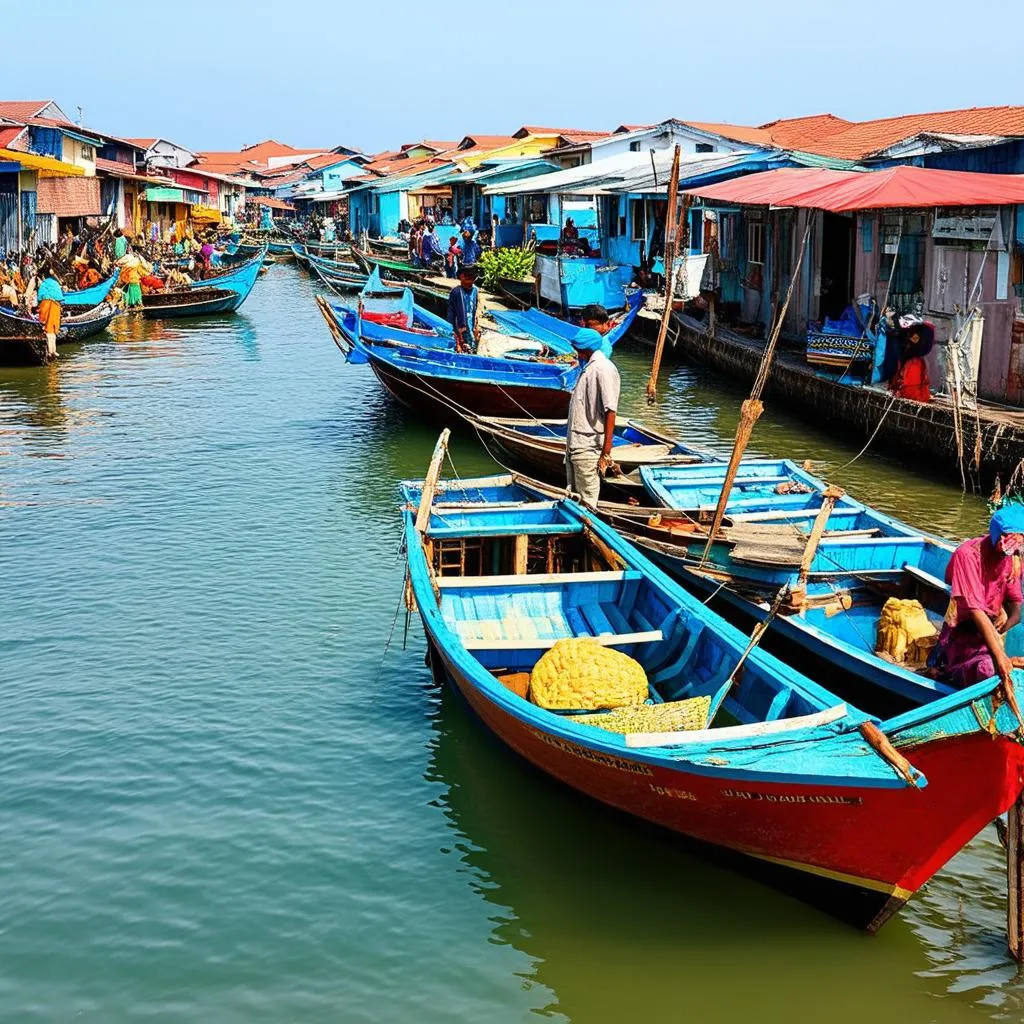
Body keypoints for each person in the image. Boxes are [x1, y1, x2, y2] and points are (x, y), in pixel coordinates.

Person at [931, 505, 1024, 688]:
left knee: (996, 664)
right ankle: (946, 669)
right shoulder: (968, 555)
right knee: (988, 669)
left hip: (989, 631)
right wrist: (1000, 657)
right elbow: (975, 610)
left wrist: (1001, 629)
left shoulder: (1013, 560)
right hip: (961, 631)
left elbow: (1016, 607)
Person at [565, 304, 619, 508]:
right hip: (576, 444)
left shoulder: (603, 368)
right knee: (576, 498)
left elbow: (610, 409)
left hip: (588, 447)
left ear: (584, 350)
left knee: (588, 503)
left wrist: (606, 451)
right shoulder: (589, 367)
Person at [446, 265, 481, 353]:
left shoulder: (475, 291)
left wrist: (476, 329)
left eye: (471, 276)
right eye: (466, 275)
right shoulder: (457, 292)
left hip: (470, 330)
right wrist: (458, 339)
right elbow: (452, 316)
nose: (468, 278)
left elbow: (475, 311)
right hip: (459, 332)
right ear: (461, 276)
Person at [36, 270, 64, 361]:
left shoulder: (43, 284)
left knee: (46, 329)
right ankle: (53, 351)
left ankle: (49, 351)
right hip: (55, 306)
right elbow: (60, 297)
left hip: (45, 305)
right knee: (52, 329)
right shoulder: (56, 283)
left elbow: (39, 298)